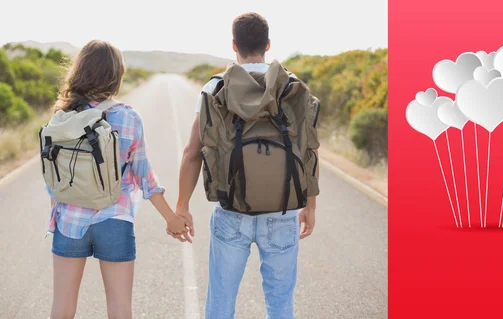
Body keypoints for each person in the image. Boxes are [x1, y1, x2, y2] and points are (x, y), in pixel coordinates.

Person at [173, 12, 319, 319]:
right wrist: (311, 206)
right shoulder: (292, 89)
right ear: (267, 44)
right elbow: (308, 150)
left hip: (231, 210)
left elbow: (192, 152)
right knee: (280, 304)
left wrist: (182, 206)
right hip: (283, 211)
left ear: (233, 45)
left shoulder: (215, 90)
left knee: (221, 303)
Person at [46, 40, 192, 319]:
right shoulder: (127, 117)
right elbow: (145, 177)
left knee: (62, 309)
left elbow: (52, 177)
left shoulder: (62, 116)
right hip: (115, 219)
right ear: (116, 75)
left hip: (69, 220)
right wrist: (172, 218)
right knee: (120, 309)